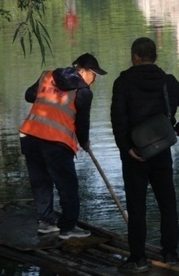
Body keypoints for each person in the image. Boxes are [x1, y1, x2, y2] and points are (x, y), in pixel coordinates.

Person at [110, 37, 179, 273]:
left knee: (137, 208)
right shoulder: (167, 82)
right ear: (155, 57)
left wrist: (126, 147)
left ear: (134, 56)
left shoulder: (123, 83)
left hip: (134, 155)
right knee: (167, 205)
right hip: (161, 152)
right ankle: (170, 254)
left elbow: (118, 119)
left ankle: (138, 259)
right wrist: (176, 131)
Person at [19, 53, 107, 239]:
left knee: (41, 182)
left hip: (31, 136)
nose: (95, 80)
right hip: (56, 141)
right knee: (68, 185)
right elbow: (82, 122)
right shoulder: (83, 92)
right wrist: (84, 141)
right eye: (94, 74)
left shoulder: (47, 75)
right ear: (82, 71)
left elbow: (29, 95)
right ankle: (68, 228)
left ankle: (46, 223)